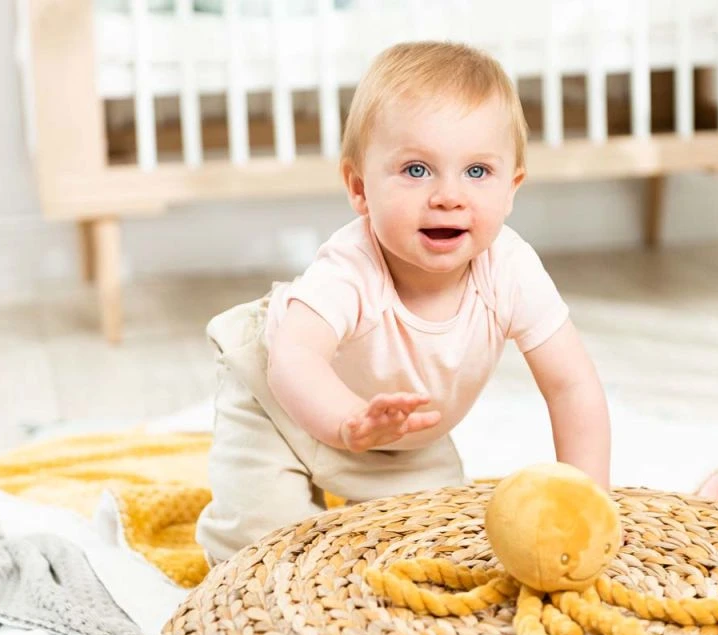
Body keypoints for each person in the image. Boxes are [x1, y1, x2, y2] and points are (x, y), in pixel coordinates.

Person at [196, 40, 611, 564]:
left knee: (437, 547)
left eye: (477, 172)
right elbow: (295, 358)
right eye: (417, 170)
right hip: (278, 405)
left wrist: (588, 502)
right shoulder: (349, 267)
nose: (448, 196)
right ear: (359, 188)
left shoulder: (511, 271)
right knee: (263, 545)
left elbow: (572, 386)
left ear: (512, 189)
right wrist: (348, 420)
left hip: (401, 437)